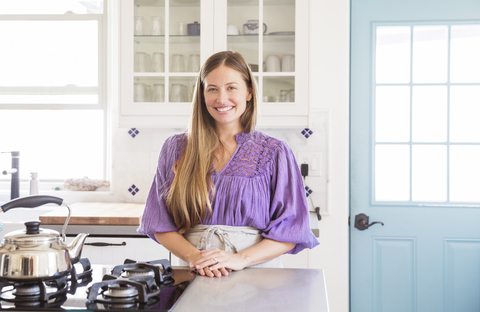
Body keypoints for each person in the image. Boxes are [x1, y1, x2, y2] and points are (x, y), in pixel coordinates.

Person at [138, 51, 319, 278]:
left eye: (231, 88)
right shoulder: (176, 148)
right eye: (212, 89)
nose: (221, 99)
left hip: (255, 274)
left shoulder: (275, 152)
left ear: (249, 92)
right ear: (202, 95)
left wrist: (239, 259)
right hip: (193, 270)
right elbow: (159, 222)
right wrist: (196, 257)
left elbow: (292, 232)